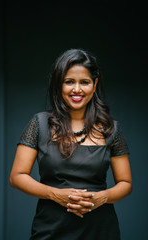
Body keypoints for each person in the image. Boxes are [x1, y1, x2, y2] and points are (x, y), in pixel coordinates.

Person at [10, 48, 132, 240]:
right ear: (59, 85)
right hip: (51, 228)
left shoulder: (111, 129)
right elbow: (17, 177)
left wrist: (101, 198)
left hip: (101, 230)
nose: (77, 89)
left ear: (95, 84)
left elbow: (126, 183)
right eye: (69, 82)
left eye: (84, 82)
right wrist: (55, 194)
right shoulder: (40, 123)